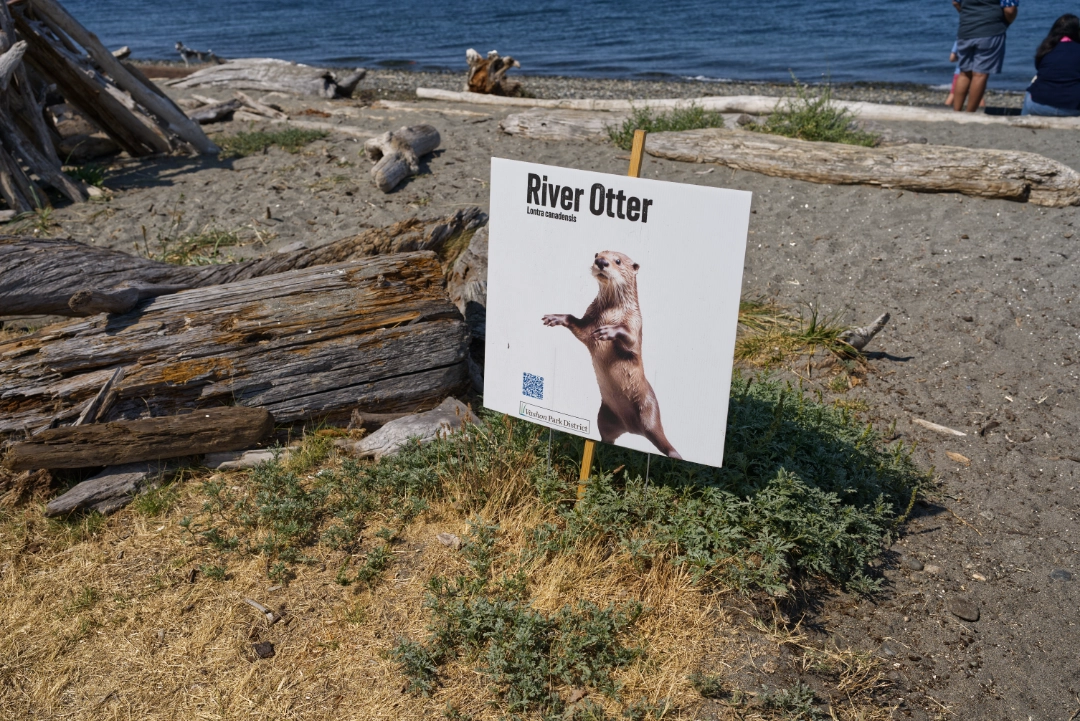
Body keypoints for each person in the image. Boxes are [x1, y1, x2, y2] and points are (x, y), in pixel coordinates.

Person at [951, 0, 1019, 112]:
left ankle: (956, 111)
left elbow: (955, 2)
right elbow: (1010, 10)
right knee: (980, 75)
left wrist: (969, 15)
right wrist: (1006, 23)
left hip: (966, 29)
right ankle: (970, 113)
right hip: (990, 30)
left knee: (964, 73)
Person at [1022, 14, 1080, 116]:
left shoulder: (1046, 48)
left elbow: (1039, 68)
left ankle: (1023, 121)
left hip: (1038, 105)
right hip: (1073, 109)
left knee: (1032, 86)